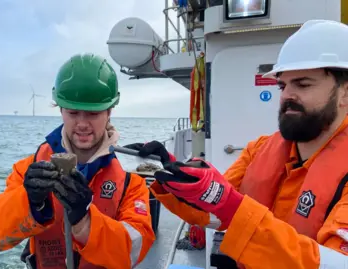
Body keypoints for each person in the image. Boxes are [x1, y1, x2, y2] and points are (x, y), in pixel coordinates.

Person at [126, 19, 348, 268]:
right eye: (283, 85)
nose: (286, 96)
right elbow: (214, 213)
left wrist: (232, 207)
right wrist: (174, 177)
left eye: (303, 84)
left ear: (344, 94)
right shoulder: (259, 150)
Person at [0, 53, 155, 268]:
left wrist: (85, 221)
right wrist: (30, 201)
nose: (82, 124)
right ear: (61, 110)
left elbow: (134, 251)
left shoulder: (130, 178)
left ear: (109, 112)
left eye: (92, 114)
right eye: (73, 113)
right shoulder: (29, 169)